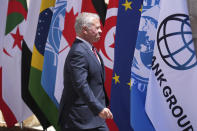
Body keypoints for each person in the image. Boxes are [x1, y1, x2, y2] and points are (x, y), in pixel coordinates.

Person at [58, 12, 113, 131]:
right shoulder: (78, 52)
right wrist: (98, 108)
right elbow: (81, 84)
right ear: (84, 29)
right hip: (80, 120)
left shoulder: (90, 49)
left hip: (93, 118)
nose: (101, 31)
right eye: (97, 27)